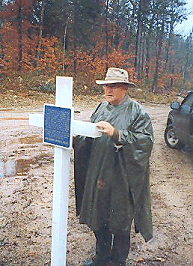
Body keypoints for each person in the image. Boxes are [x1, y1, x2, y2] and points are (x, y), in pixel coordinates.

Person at [74, 68, 154, 266]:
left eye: (113, 85)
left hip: (121, 177)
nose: (108, 89)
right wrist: (77, 139)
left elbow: (145, 142)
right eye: (106, 85)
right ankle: (101, 257)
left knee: (120, 221)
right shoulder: (101, 108)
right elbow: (91, 135)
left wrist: (117, 133)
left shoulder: (137, 112)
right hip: (98, 173)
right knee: (98, 215)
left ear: (125, 88)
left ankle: (118, 260)